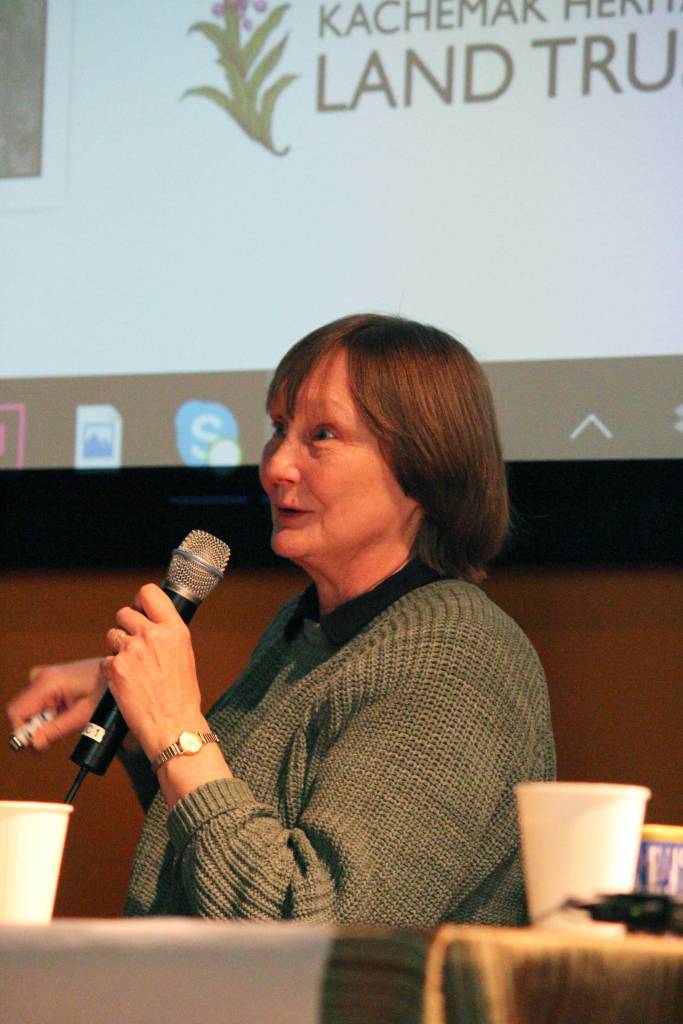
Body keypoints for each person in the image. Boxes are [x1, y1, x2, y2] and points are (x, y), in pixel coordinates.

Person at [7, 313, 555, 925]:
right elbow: (218, 862)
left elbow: (315, 929)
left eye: (321, 434)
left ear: (426, 465)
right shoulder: (307, 629)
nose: (275, 467)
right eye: (277, 429)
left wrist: (174, 725)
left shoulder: (460, 658)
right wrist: (137, 719)